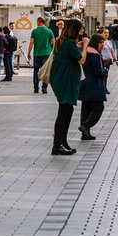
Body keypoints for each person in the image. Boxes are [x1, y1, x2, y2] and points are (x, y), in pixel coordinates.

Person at [49, 19, 87, 155]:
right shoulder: (69, 43)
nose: (82, 31)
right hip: (67, 80)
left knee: (66, 110)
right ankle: (57, 145)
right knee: (64, 112)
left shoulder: (62, 41)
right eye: (81, 29)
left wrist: (78, 45)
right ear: (75, 29)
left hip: (61, 79)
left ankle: (62, 142)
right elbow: (81, 59)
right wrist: (85, 46)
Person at [79, 32, 110, 140]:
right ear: (95, 42)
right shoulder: (95, 55)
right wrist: (105, 70)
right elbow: (97, 72)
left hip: (86, 84)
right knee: (98, 108)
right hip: (94, 86)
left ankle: (85, 133)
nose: (103, 45)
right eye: (101, 43)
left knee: (86, 109)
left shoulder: (87, 53)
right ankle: (85, 126)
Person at [28, 16, 55, 94]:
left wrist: (29, 52)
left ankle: (36, 88)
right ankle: (44, 88)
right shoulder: (49, 31)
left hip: (37, 54)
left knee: (36, 71)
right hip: (46, 54)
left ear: (39, 22)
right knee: (45, 71)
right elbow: (54, 42)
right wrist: (54, 52)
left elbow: (31, 42)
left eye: (37, 21)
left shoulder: (34, 31)